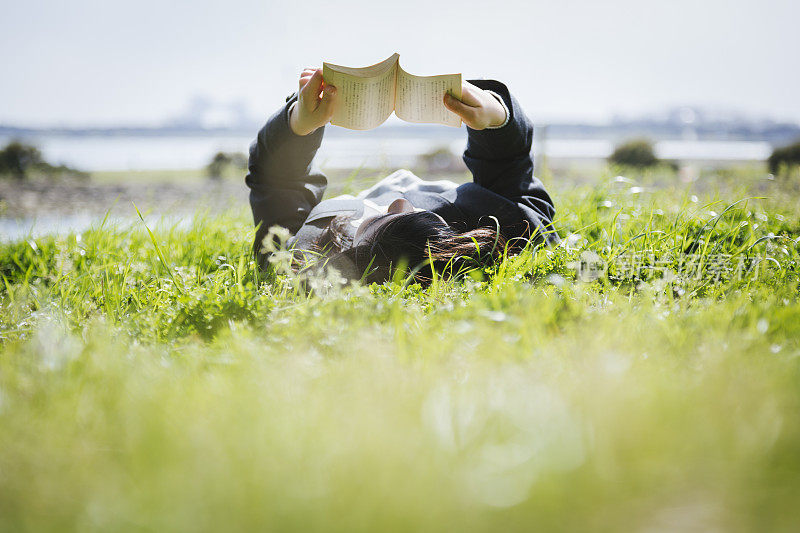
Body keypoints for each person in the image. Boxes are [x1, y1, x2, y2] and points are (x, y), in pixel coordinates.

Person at [245, 67, 558, 284]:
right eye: (417, 216)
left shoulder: (296, 256)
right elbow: (511, 169)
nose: (396, 200)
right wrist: (495, 118)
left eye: (371, 223)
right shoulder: (505, 228)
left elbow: (275, 181)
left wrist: (299, 125)